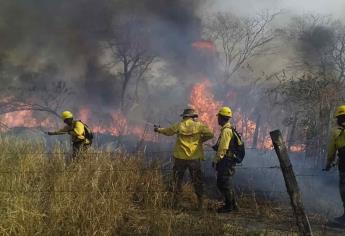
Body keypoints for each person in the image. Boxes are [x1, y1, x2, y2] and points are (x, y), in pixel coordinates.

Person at [154, 108, 214, 209]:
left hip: (180, 158)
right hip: (194, 158)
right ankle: (200, 204)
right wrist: (200, 140)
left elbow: (168, 131)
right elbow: (211, 134)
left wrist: (158, 129)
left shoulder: (179, 125)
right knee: (197, 181)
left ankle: (175, 203)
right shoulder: (199, 125)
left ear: (184, 117)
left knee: (177, 180)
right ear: (193, 117)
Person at [212, 106, 239, 213]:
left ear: (222, 118)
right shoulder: (228, 129)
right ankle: (233, 205)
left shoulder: (226, 131)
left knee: (222, 183)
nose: (217, 119)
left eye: (218, 117)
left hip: (226, 161)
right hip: (228, 160)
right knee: (226, 182)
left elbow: (223, 148)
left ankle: (229, 206)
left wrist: (215, 160)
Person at [325, 105, 345, 223]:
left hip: (344, 167)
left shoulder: (336, 132)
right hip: (343, 163)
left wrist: (329, 163)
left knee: (344, 191)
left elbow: (331, 151)